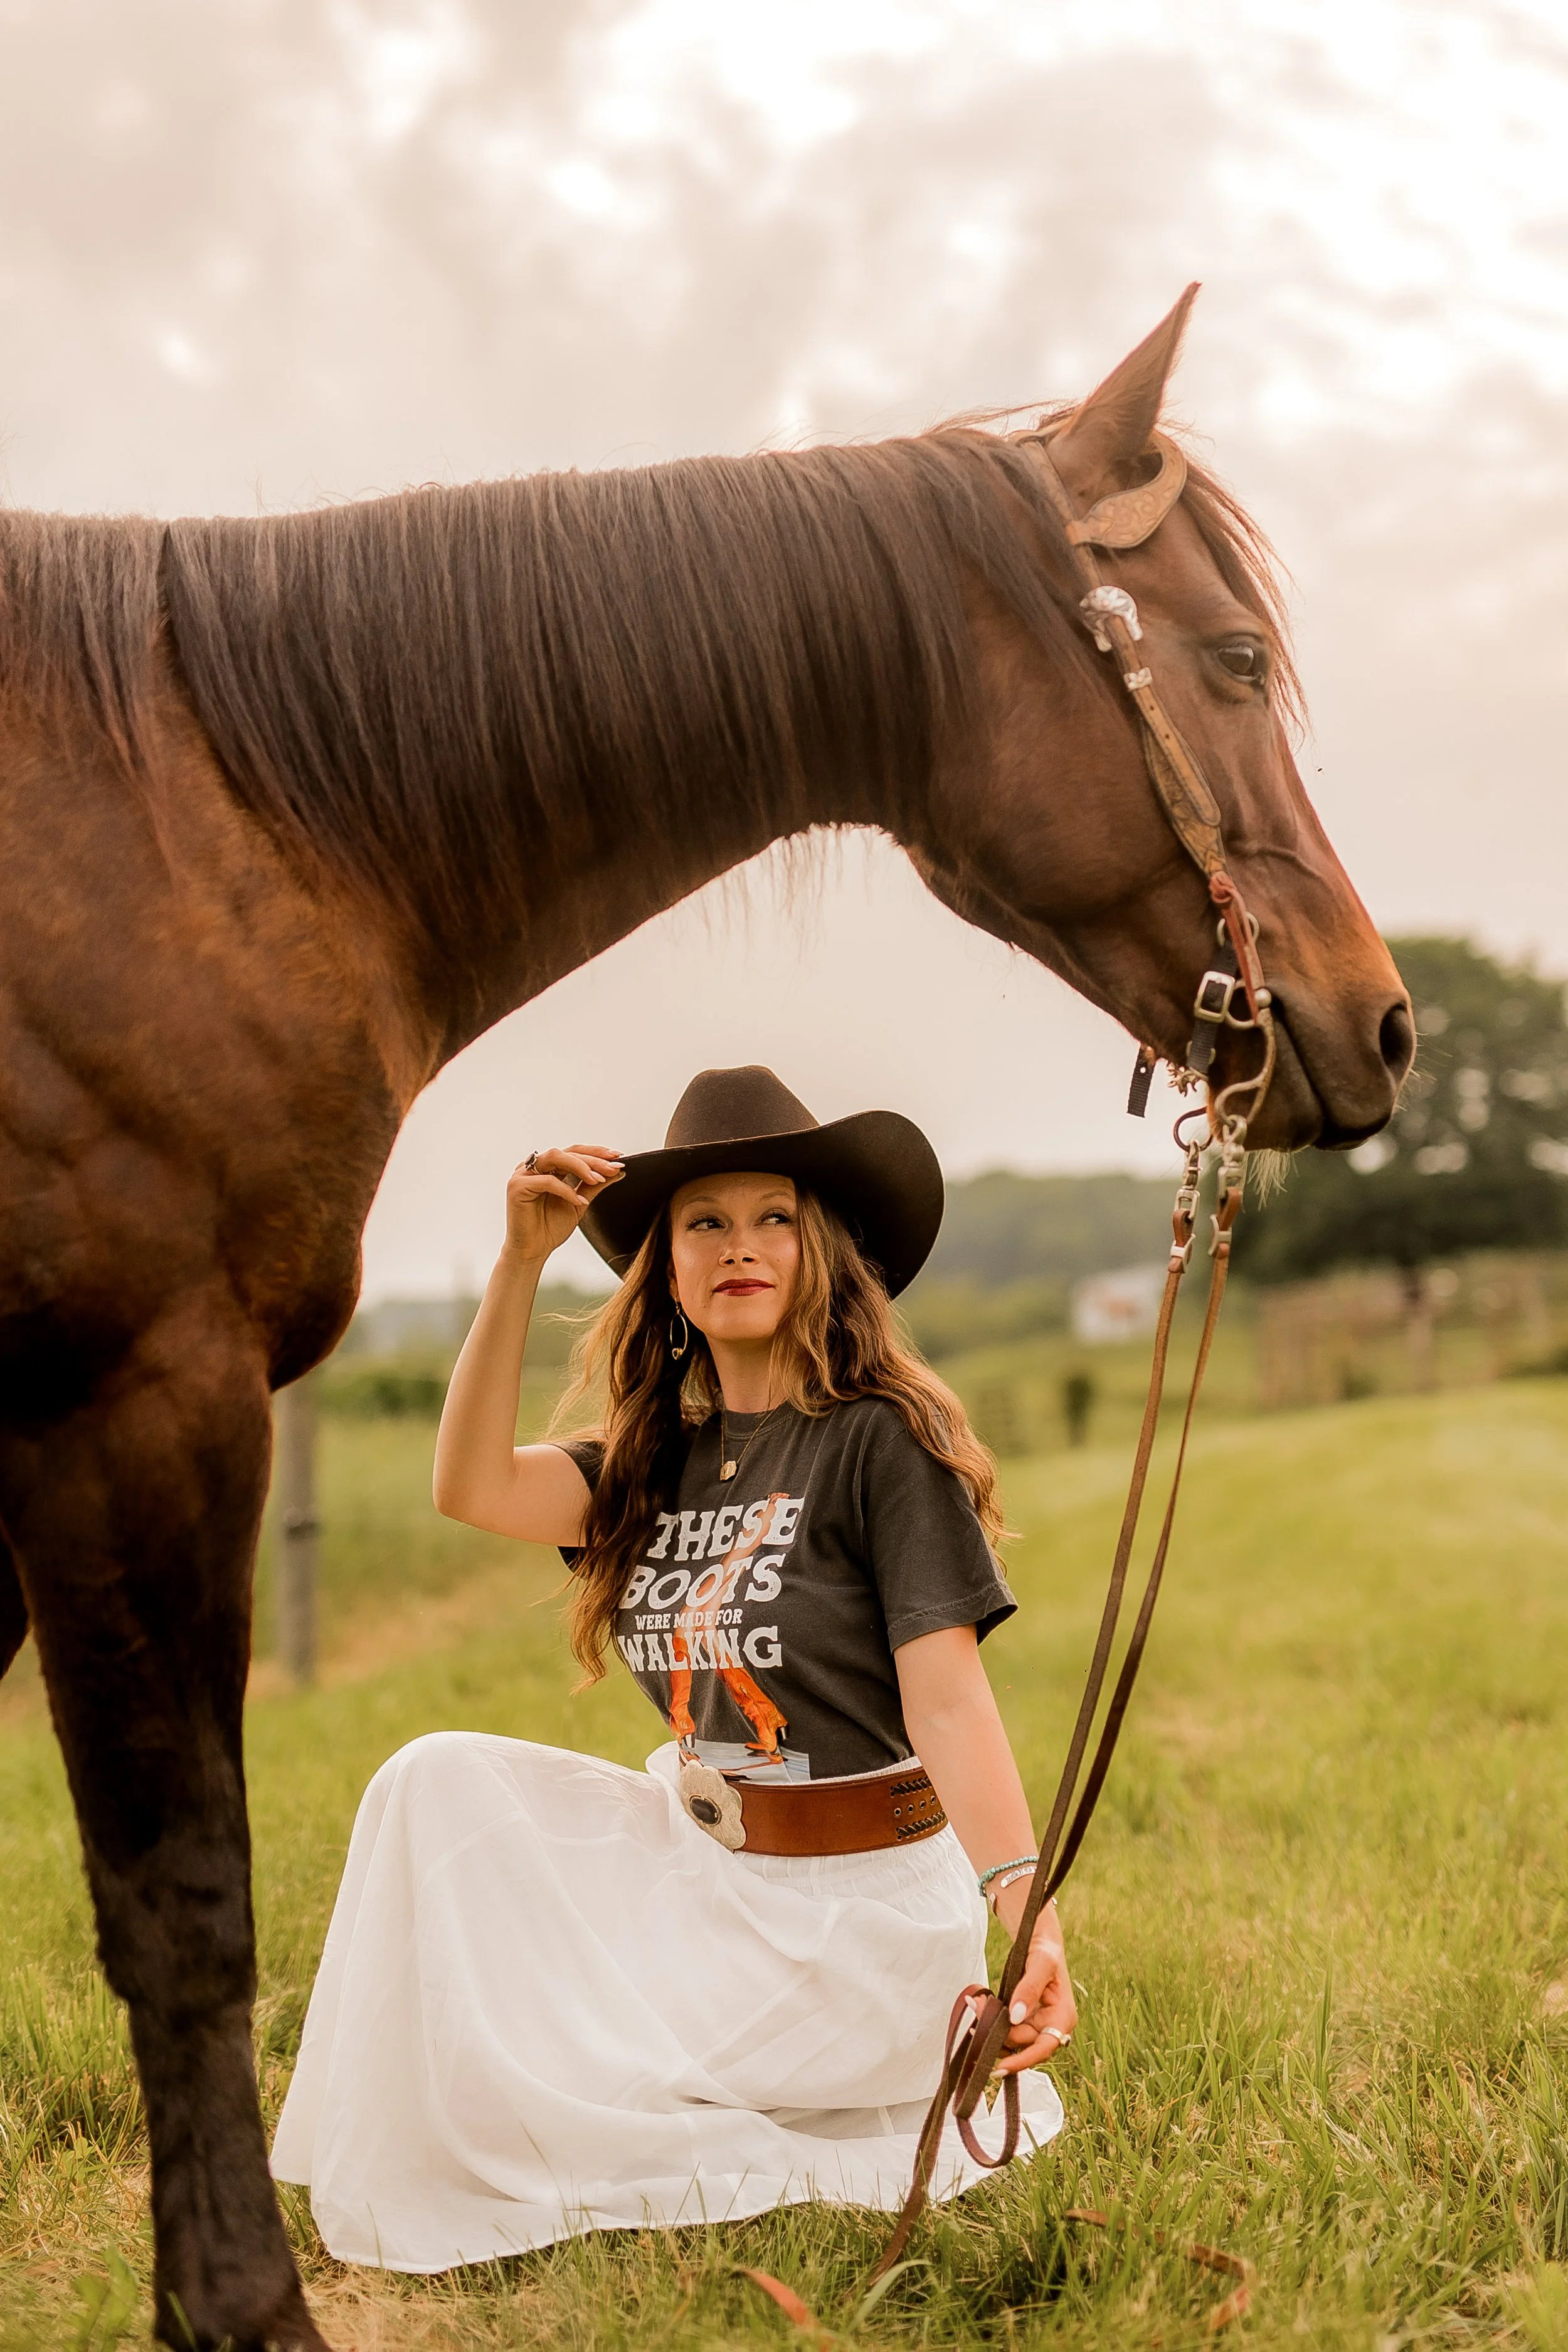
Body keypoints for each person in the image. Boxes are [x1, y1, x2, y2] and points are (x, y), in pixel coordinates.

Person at [271, 1066, 1075, 2272]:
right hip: (699, 1868)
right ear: (670, 1268)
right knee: (430, 1777)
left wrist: (1026, 1910)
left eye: (772, 1218)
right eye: (705, 1221)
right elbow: (469, 1483)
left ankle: (683, 2067)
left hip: (851, 1916)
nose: (738, 1246)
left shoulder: (879, 1439)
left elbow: (948, 1697)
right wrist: (518, 1261)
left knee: (600, 2095)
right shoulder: (653, 1457)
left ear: (823, 1250)